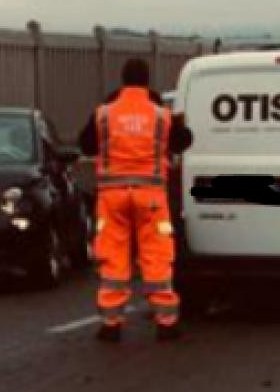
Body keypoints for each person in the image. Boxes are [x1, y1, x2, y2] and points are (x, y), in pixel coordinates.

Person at [78, 58, 194, 343]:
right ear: (147, 80)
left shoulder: (104, 114)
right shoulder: (161, 115)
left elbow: (86, 144)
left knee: (113, 255)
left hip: (112, 196)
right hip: (151, 196)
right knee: (156, 254)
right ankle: (166, 322)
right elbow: (183, 142)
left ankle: (111, 323)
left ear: (122, 79)